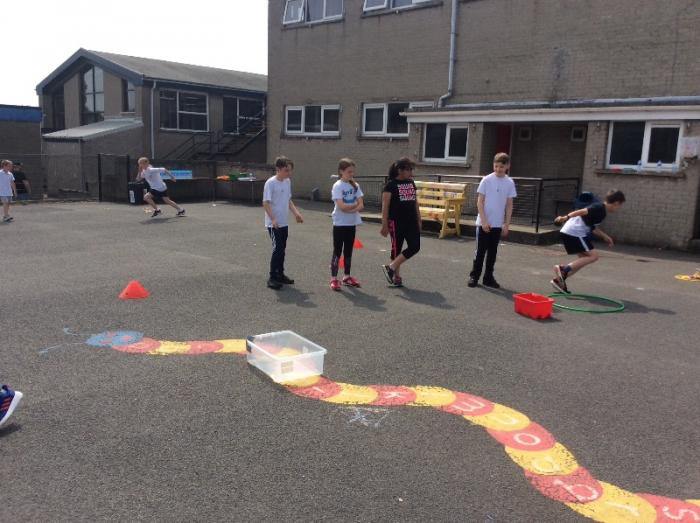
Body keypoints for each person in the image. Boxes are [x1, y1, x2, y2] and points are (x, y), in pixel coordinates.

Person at [551, 189, 626, 293]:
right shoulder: (599, 208)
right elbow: (582, 211)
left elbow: (592, 228)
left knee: (583, 259)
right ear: (616, 203)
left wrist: (605, 237)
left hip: (570, 232)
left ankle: (559, 281)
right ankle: (564, 270)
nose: (619, 209)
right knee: (593, 256)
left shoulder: (601, 211)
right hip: (574, 232)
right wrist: (565, 217)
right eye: (620, 206)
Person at [468, 153, 517, 289]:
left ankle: (488, 277)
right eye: (496, 166)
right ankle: (474, 276)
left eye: (501, 166)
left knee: (492, 253)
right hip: (483, 223)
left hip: (497, 224)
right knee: (480, 251)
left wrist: (506, 224)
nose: (498, 169)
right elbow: (480, 202)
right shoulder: (486, 180)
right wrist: (483, 221)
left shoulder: (509, 182)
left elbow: (509, 205)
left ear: (507, 166)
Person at [263, 156, 304, 290]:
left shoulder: (287, 182)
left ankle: (280, 274)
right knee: (278, 249)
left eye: (290, 170)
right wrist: (273, 219)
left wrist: (296, 213)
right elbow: (266, 203)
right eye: (286, 170)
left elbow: (288, 200)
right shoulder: (270, 183)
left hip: (284, 222)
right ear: (278, 169)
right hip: (273, 224)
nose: (289, 173)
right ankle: (272, 278)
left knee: (282, 249)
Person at [380, 157, 421, 287]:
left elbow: (415, 202)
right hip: (396, 222)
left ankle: (391, 267)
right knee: (396, 249)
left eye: (411, 169)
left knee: (415, 246)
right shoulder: (390, 185)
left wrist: (419, 219)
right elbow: (385, 207)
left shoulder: (411, 183)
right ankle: (396, 276)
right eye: (409, 169)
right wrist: (384, 224)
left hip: (411, 221)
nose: (411, 172)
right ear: (400, 170)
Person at [330, 158, 364, 291]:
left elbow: (361, 205)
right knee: (337, 251)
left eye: (352, 172)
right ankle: (334, 278)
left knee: (348, 250)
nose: (351, 174)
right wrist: (354, 206)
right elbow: (342, 207)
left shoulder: (355, 185)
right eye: (349, 172)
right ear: (341, 171)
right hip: (339, 224)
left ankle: (346, 276)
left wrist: (352, 208)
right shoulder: (337, 186)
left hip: (351, 224)